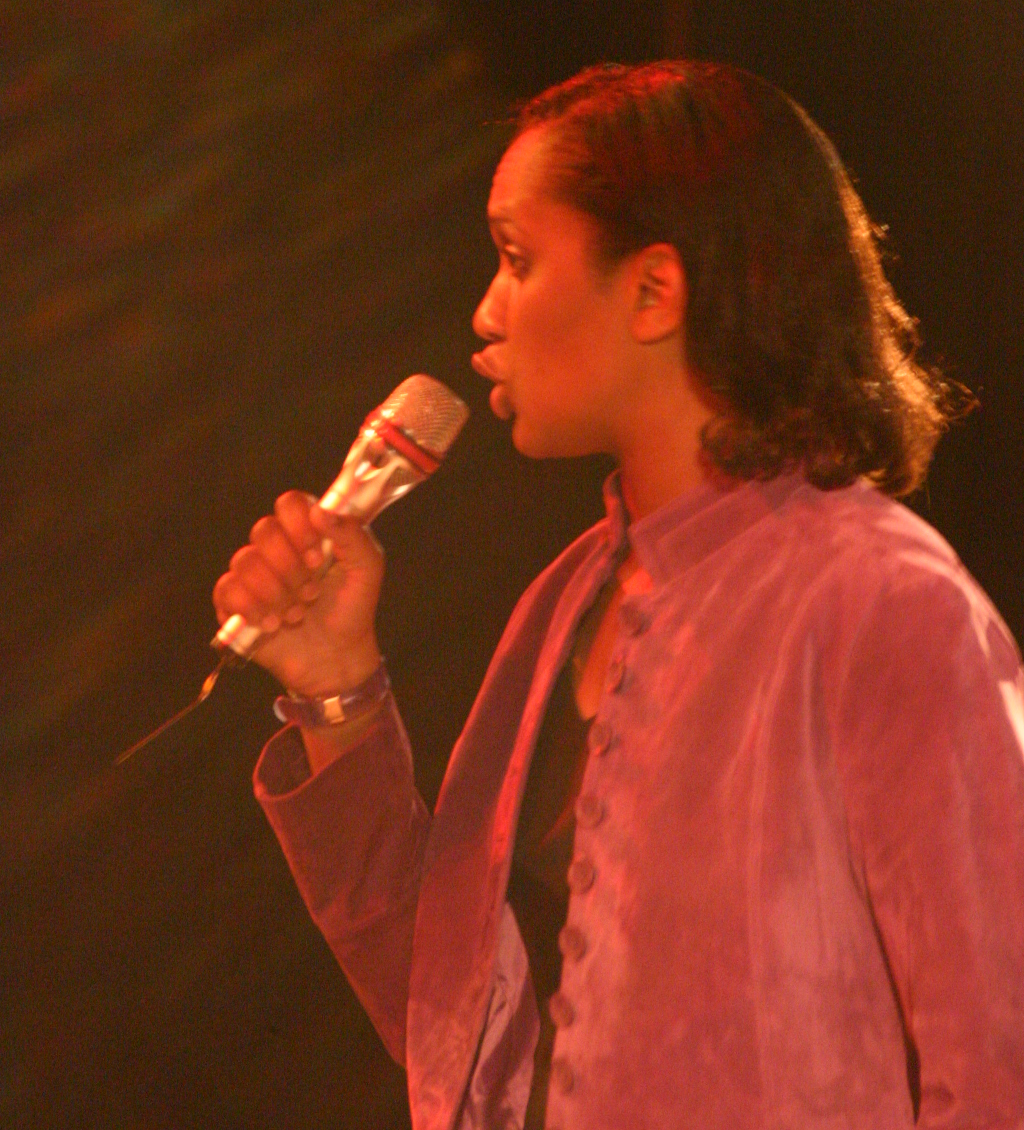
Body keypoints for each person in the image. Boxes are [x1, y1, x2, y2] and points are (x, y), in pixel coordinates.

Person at [214, 61, 1024, 1129]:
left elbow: (1001, 1057)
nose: (484, 311)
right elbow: (459, 1038)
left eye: (517, 260)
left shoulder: (879, 599)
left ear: (653, 290)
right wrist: (336, 691)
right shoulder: (572, 593)